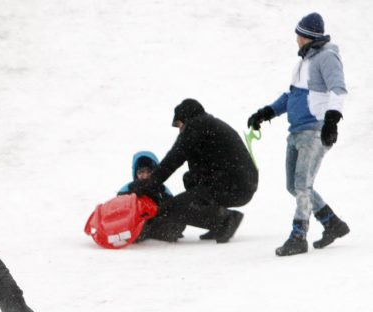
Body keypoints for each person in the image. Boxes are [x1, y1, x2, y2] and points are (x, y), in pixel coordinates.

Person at [247, 12, 349, 257]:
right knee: (294, 186)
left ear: (307, 36)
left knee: (302, 185)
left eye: (299, 35)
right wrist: (266, 112)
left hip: (315, 130)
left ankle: (298, 236)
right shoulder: (302, 63)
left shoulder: (327, 57)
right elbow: (291, 97)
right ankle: (332, 223)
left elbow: (339, 90)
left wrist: (331, 122)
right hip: (296, 132)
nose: (296, 39)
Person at [131, 99, 258, 243]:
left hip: (234, 186)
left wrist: (149, 183)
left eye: (179, 125)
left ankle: (225, 220)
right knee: (189, 178)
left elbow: (174, 158)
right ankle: (217, 221)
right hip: (241, 184)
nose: (180, 131)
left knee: (173, 207)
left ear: (185, 118)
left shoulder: (196, 126)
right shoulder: (208, 125)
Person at [117, 152, 177, 243]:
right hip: (137, 221)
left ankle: (151, 231)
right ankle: (140, 232)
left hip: (156, 221)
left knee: (178, 222)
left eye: (149, 172)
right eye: (141, 172)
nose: (145, 176)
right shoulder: (129, 187)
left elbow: (173, 204)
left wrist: (163, 206)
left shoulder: (161, 188)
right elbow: (118, 205)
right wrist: (133, 194)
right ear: (136, 173)